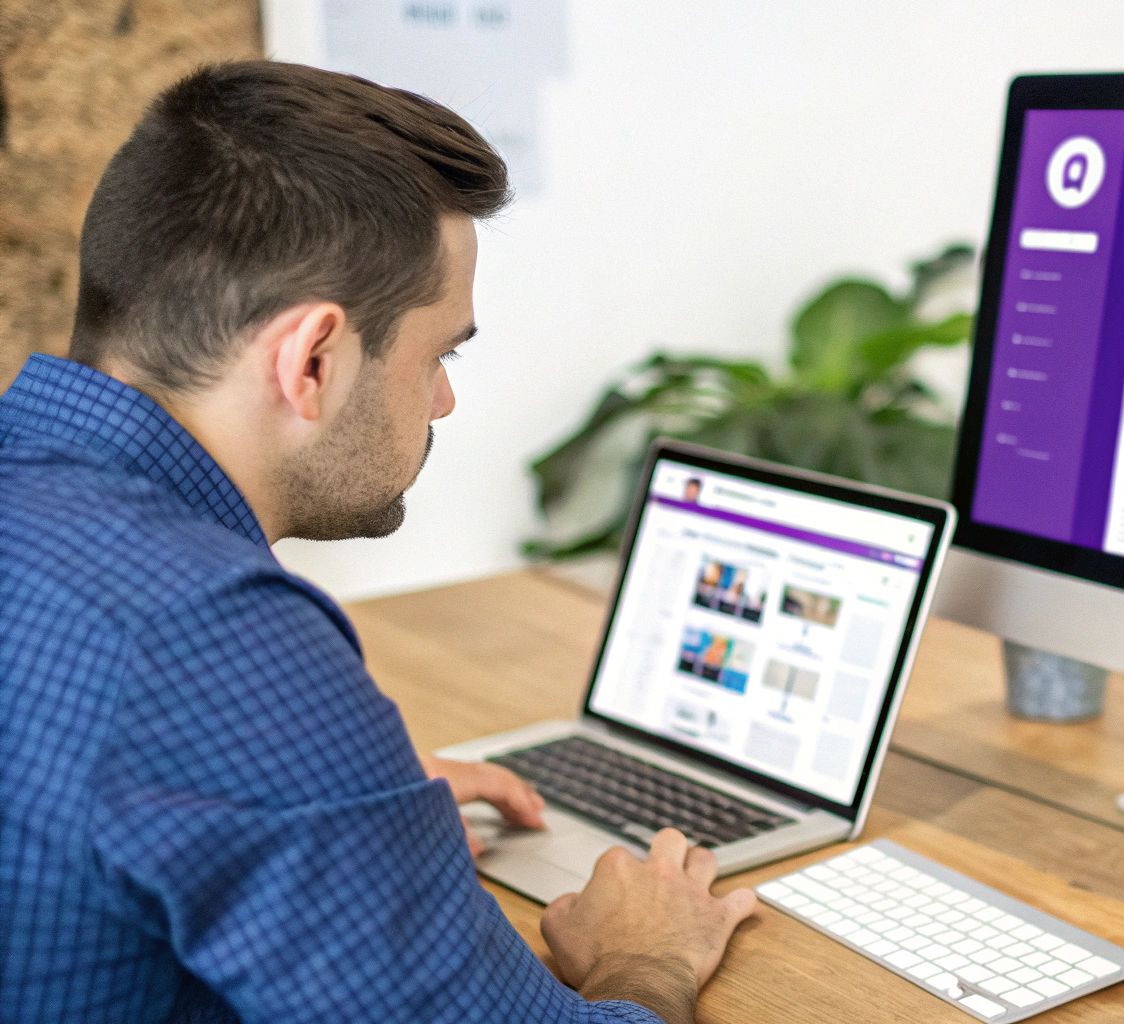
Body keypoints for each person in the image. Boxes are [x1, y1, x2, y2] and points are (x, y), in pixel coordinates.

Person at [0, 61, 753, 1024]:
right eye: (440, 352)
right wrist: (644, 957)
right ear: (311, 359)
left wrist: (318, 800)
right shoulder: (212, 637)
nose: (444, 398)